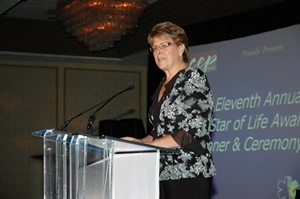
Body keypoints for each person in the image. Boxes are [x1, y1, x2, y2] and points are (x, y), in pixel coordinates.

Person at [122, 21, 216, 199]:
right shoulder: (161, 86)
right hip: (160, 172)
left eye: (164, 45)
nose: (158, 51)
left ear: (181, 48)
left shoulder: (192, 77)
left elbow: (193, 131)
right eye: (154, 47)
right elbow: (158, 131)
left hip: (188, 172)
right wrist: (136, 143)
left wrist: (147, 145)